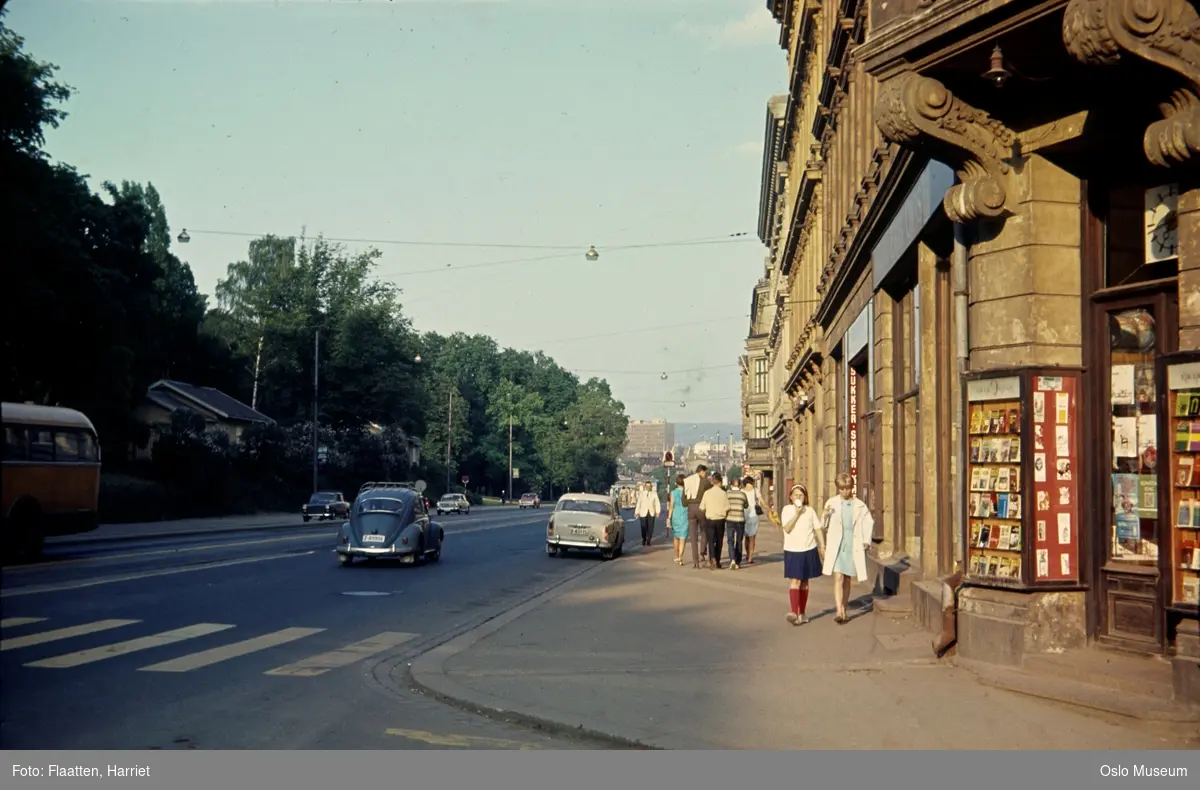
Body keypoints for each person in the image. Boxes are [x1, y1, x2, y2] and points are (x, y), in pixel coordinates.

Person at [821, 472, 875, 624]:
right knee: (838, 576)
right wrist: (825, 515)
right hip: (837, 544)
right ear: (838, 488)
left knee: (847, 578)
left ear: (852, 488)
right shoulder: (831, 503)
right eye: (842, 489)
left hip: (852, 544)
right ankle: (840, 610)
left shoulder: (859, 505)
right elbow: (822, 525)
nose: (845, 491)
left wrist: (866, 540)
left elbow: (868, 522)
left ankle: (844, 605)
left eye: (848, 488)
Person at [777, 484, 824, 625]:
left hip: (809, 548)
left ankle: (802, 612)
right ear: (791, 497)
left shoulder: (810, 511)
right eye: (795, 495)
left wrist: (822, 545)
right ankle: (793, 612)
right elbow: (787, 528)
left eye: (801, 495)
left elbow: (817, 528)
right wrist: (797, 514)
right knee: (795, 581)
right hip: (792, 550)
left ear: (805, 497)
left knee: (804, 582)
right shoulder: (787, 510)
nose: (798, 497)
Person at [682, 464, 711, 569]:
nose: (705, 474)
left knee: (693, 536)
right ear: (701, 471)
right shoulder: (705, 482)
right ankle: (703, 551)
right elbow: (710, 492)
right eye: (705, 472)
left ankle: (695, 562)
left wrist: (688, 504)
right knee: (704, 530)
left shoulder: (687, 480)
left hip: (690, 508)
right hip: (701, 508)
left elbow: (684, 499)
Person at [699, 472, 729, 569]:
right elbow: (728, 507)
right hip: (720, 520)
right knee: (719, 541)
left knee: (711, 541)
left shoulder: (707, 493)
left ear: (712, 482)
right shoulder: (724, 493)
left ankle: (712, 559)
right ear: (720, 482)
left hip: (710, 520)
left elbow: (702, 507)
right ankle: (718, 560)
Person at [724, 477, 749, 570]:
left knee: (730, 540)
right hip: (740, 519)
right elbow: (746, 505)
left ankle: (732, 560)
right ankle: (738, 561)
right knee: (739, 541)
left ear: (731, 485)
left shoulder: (727, 494)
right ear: (740, 485)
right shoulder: (742, 494)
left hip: (730, 519)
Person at [666, 473, 689, 565]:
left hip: (675, 516)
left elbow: (671, 506)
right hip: (685, 516)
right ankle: (680, 557)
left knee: (676, 537)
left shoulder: (673, 492)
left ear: (676, 483)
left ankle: (676, 556)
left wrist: (669, 518)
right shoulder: (687, 492)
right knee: (683, 538)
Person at [741, 476, 762, 564]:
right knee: (750, 537)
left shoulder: (742, 491)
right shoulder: (755, 490)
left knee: (749, 536)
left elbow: (761, 501)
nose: (751, 485)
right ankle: (749, 555)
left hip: (746, 514)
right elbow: (761, 501)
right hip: (751, 515)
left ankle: (749, 556)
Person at [634, 481, 660, 546]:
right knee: (643, 527)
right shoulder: (641, 494)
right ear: (645, 486)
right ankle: (644, 539)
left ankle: (649, 540)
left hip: (651, 512)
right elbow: (639, 503)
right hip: (643, 512)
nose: (648, 487)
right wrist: (637, 512)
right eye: (647, 486)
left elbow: (657, 503)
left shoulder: (654, 494)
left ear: (651, 487)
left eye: (649, 486)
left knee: (651, 527)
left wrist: (657, 512)